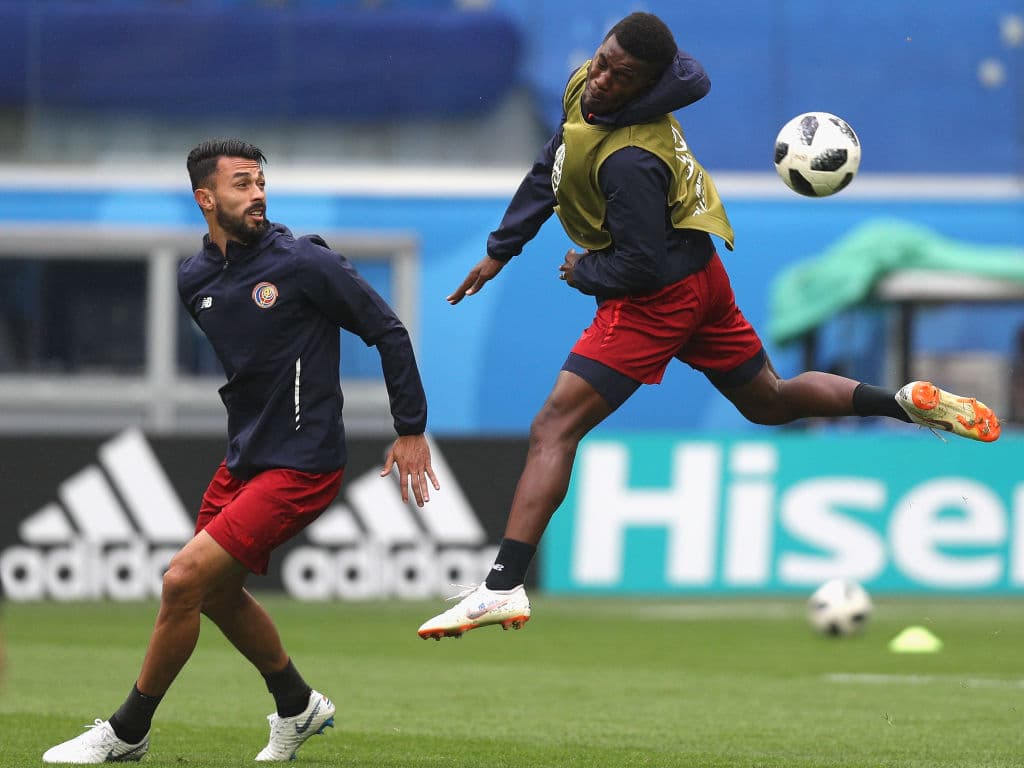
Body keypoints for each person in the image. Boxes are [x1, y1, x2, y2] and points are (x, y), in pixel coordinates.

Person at [416, 12, 1000, 640]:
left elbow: (637, 266)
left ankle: (501, 586)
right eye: (605, 60)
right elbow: (552, 162)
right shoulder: (587, 86)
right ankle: (902, 402)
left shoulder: (632, 160)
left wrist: (585, 271)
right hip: (701, 279)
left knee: (553, 427)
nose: (603, 78)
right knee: (770, 401)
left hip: (656, 297)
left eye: (622, 76)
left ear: (645, 88)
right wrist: (503, 247)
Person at [43, 138, 440, 763]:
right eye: (240, 184)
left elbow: (386, 329)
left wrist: (410, 427)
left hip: (304, 462)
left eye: (260, 182)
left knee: (180, 581)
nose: (256, 194)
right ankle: (297, 705)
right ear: (206, 199)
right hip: (245, 459)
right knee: (216, 596)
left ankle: (127, 733)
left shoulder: (306, 262)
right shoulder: (193, 278)